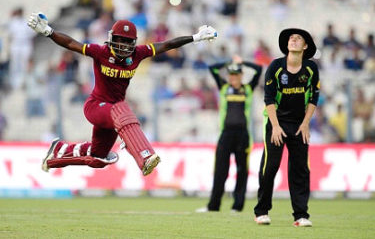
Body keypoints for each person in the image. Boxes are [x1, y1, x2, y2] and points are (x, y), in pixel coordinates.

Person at [27, 12, 217, 176]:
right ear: (112, 39)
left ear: (134, 43)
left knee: (99, 158)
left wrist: (196, 37)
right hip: (96, 107)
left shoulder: (139, 53)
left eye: (128, 42)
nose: (124, 46)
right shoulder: (101, 52)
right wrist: (49, 32)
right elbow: (70, 43)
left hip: (115, 114)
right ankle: (144, 155)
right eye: (120, 40)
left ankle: (58, 152)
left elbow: (167, 45)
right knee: (122, 108)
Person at [254, 28, 319, 227]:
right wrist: (274, 126)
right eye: (291, 38)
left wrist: (306, 123)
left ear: (305, 46)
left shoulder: (310, 68)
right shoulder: (276, 66)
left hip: (300, 125)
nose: (293, 40)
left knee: (300, 169)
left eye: (298, 38)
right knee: (270, 166)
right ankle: (262, 211)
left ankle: (301, 216)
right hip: (276, 123)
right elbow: (269, 98)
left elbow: (314, 96)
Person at [196, 55, 262, 213]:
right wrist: (229, 62)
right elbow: (212, 68)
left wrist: (242, 62)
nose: (233, 77)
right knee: (220, 171)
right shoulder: (224, 87)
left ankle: (237, 207)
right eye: (231, 74)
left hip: (242, 135)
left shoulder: (248, 88)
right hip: (225, 134)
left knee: (241, 171)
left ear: (241, 76)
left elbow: (259, 70)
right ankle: (213, 206)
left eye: (236, 74)